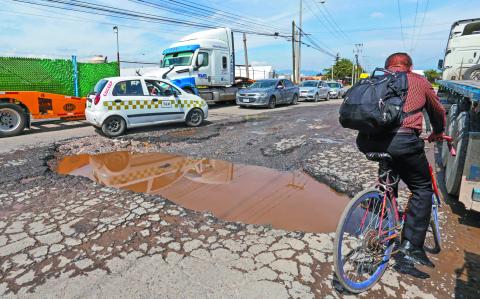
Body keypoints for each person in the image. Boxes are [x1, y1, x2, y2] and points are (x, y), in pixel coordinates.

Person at [356, 53, 446, 267]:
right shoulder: (419, 81)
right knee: (423, 188)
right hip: (403, 142)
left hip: (367, 142)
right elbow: (437, 111)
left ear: (387, 66)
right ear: (410, 66)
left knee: (388, 178)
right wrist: (438, 132)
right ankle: (412, 245)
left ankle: (382, 211)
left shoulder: (376, 80)